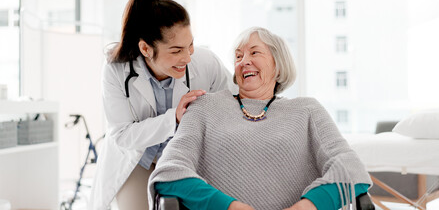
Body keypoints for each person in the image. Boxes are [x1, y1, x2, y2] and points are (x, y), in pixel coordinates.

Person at [148, 27, 372, 210]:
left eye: (254, 53)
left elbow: (350, 167)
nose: (244, 61)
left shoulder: (307, 110)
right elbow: (170, 171)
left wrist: (308, 206)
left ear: (277, 64)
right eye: (238, 56)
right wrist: (230, 207)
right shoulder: (204, 107)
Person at [89, 0, 236, 210]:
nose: (187, 57)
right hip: (136, 159)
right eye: (176, 51)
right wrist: (174, 118)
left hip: (184, 159)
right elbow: (122, 135)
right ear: (146, 49)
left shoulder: (205, 63)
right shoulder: (116, 70)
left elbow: (235, 101)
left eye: (190, 45)